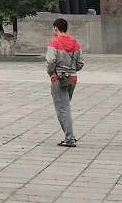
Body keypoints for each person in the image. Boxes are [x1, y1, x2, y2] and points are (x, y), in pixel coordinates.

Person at [45, 17, 84, 147]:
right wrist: (72, 70)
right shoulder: (75, 43)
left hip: (59, 78)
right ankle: (70, 136)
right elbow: (80, 63)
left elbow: (51, 61)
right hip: (72, 78)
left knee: (63, 109)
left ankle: (69, 139)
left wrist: (51, 73)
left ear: (55, 28)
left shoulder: (54, 42)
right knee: (65, 107)